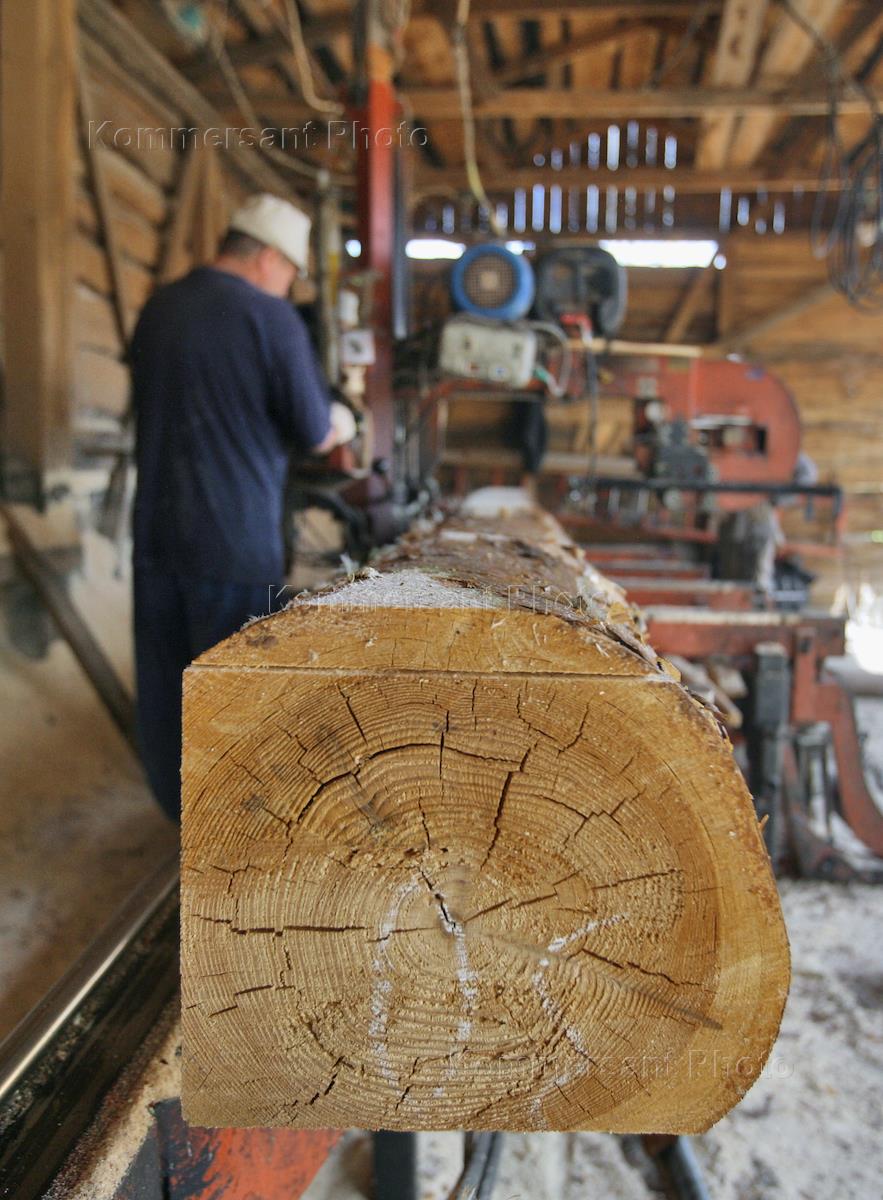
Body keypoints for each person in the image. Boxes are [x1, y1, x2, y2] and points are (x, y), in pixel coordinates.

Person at [130, 194, 355, 822]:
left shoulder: (159, 308)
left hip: (154, 540)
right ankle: (229, 841)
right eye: (289, 272)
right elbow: (313, 431)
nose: (288, 287)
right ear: (266, 258)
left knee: (167, 698)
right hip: (232, 543)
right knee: (230, 706)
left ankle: (177, 826)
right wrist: (343, 417)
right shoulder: (269, 317)